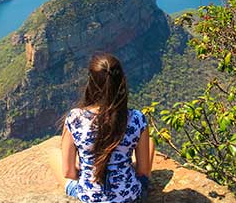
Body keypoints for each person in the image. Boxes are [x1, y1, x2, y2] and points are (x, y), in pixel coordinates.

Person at [49, 53, 156, 203]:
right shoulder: (137, 119)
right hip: (129, 196)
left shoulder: (75, 118)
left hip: (88, 197)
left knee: (53, 153)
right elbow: (143, 171)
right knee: (150, 142)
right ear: (121, 82)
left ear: (91, 83)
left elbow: (69, 173)